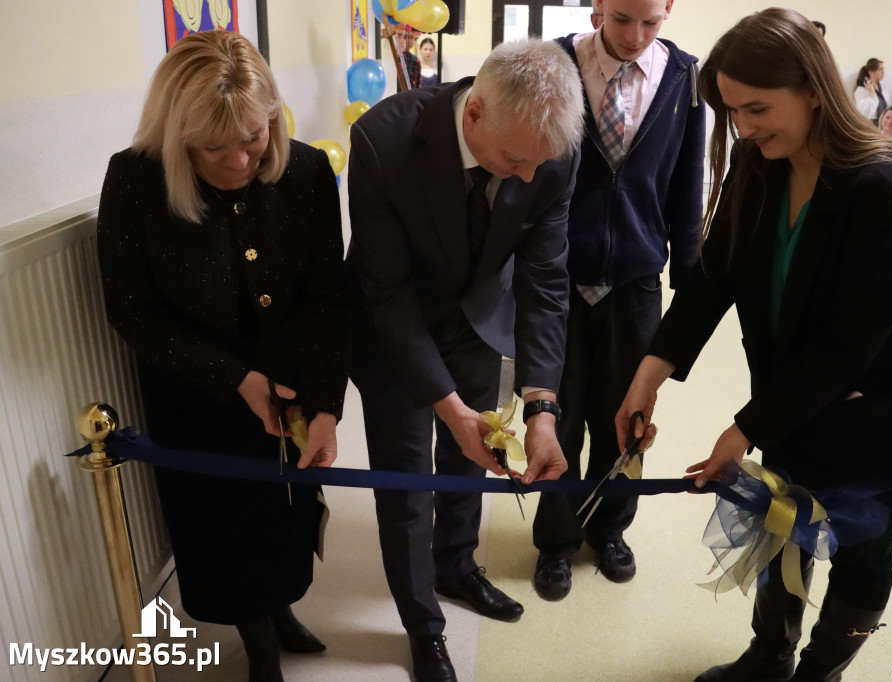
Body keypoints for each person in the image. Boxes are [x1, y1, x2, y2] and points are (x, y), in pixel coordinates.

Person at [615, 9, 892, 682]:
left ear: (813, 89)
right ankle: (769, 656)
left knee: (860, 548)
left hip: (887, 404)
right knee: (782, 524)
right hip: (798, 391)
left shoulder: (883, 185)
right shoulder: (760, 160)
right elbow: (712, 276)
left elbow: (849, 345)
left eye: (757, 108)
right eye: (733, 112)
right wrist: (648, 376)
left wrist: (742, 429)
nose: (743, 128)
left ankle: (819, 672)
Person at [96, 31, 348, 682]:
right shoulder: (136, 178)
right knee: (226, 523)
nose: (239, 161)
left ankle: (283, 609)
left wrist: (326, 404)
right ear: (179, 136)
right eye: (215, 147)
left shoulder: (309, 171)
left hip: (292, 375)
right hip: (196, 387)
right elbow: (133, 310)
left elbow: (326, 299)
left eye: (255, 137)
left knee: (291, 508)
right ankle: (258, 641)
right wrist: (233, 378)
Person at [347, 39, 584, 682]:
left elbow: (545, 280)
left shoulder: (547, 149)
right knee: (407, 486)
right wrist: (447, 407)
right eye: (514, 160)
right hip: (394, 327)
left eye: (541, 164)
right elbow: (388, 296)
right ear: (474, 113)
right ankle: (423, 625)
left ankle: (457, 563)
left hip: (479, 320)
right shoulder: (382, 141)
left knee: (473, 459)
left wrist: (541, 405)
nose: (529, 178)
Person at [531, 0, 705, 601]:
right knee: (559, 412)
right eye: (621, 17)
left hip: (635, 282)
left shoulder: (684, 79)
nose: (634, 36)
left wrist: (689, 278)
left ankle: (609, 527)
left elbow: (688, 185)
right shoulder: (555, 62)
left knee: (626, 417)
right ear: (598, 6)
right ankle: (555, 538)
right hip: (559, 281)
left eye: (650, 22)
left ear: (669, 11)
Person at [853, 58, 889, 126]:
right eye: (880, 69)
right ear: (871, 73)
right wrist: (872, 93)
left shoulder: (883, 87)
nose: (883, 72)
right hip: (869, 125)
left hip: (882, 125)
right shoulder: (862, 90)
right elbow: (864, 113)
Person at [396, 24, 422, 88]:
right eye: (410, 37)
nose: (412, 42)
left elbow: (416, 87)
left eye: (416, 39)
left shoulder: (415, 61)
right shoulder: (389, 58)